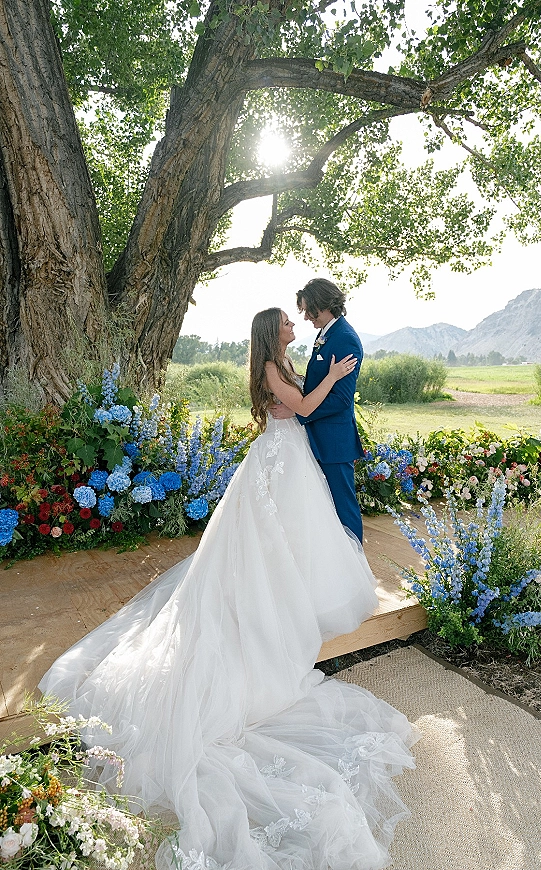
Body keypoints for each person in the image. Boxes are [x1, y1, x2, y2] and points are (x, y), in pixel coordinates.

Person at [39, 308, 418, 870]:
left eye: (296, 320)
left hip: (290, 461)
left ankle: (292, 596)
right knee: (270, 545)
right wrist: (335, 377)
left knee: (292, 543)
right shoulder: (270, 365)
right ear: (272, 332)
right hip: (278, 461)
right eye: (287, 322)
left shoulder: (281, 360)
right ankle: (269, 605)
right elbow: (306, 408)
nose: (294, 326)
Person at [272, 278, 365, 543]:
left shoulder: (345, 339)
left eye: (307, 310)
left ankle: (355, 569)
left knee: (344, 509)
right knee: (325, 510)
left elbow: (342, 400)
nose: (304, 317)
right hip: (316, 437)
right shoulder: (326, 333)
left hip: (334, 441)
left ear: (322, 305)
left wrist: (298, 411)